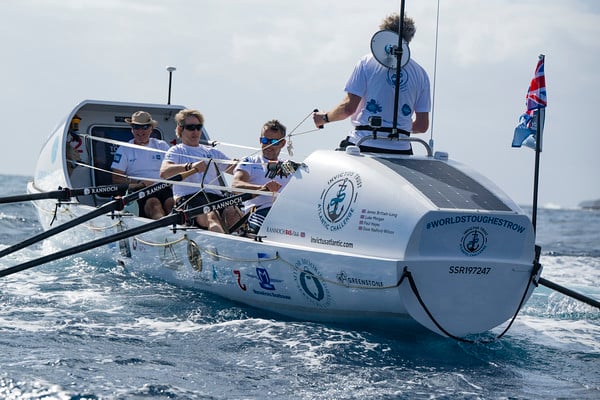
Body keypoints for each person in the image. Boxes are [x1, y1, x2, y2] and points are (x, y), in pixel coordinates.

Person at [313, 13, 431, 154]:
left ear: (385, 33)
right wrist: (398, 127)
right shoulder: (421, 73)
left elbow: (348, 109)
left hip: (364, 144)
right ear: (409, 39)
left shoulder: (366, 62)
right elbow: (422, 126)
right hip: (402, 150)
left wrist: (324, 118)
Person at [160, 109, 240, 233]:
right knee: (211, 215)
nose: (195, 131)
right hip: (189, 198)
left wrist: (242, 165)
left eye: (198, 127)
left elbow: (236, 170)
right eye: (191, 127)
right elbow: (164, 172)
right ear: (180, 129)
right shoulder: (176, 151)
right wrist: (190, 166)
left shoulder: (212, 152)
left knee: (235, 214)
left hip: (215, 197)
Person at [231, 120, 292, 235]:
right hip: (259, 211)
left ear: (282, 144)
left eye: (274, 142)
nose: (269, 145)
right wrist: (263, 188)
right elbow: (236, 185)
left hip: (286, 214)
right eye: (265, 140)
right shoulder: (250, 161)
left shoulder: (289, 166)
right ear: (260, 140)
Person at [111, 111, 174, 219]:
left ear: (151, 128)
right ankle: (165, 232)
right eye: (136, 127)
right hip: (140, 190)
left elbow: (173, 169)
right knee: (154, 205)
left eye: (144, 127)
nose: (140, 131)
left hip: (163, 187)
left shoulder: (162, 146)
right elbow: (116, 178)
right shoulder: (124, 149)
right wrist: (139, 183)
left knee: (172, 205)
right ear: (132, 129)